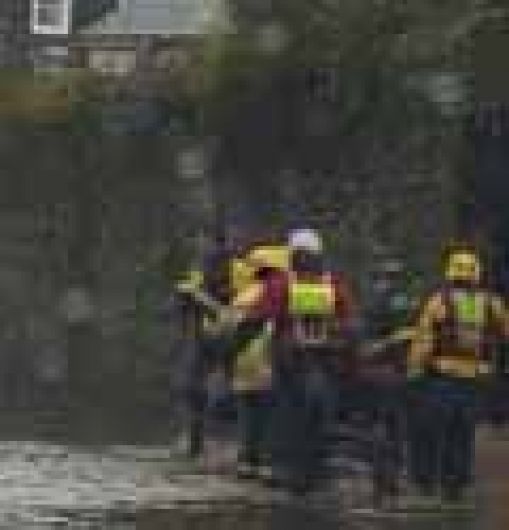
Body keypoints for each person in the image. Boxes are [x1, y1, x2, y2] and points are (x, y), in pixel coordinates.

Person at [221, 227, 357, 494]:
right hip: (326, 365)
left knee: (287, 421)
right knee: (321, 424)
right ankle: (318, 475)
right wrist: (351, 366)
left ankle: (288, 475)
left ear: (293, 255)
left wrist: (230, 353)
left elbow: (255, 322)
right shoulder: (334, 285)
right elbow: (352, 327)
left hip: (290, 365)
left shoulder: (281, 284)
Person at [406, 242, 509, 508]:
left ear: (450, 272)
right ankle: (456, 488)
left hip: (443, 377)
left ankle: (430, 485)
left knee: (434, 430)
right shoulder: (492, 303)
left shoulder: (440, 301)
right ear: (477, 273)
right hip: (476, 380)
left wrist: (414, 372)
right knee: (463, 434)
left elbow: (424, 338)